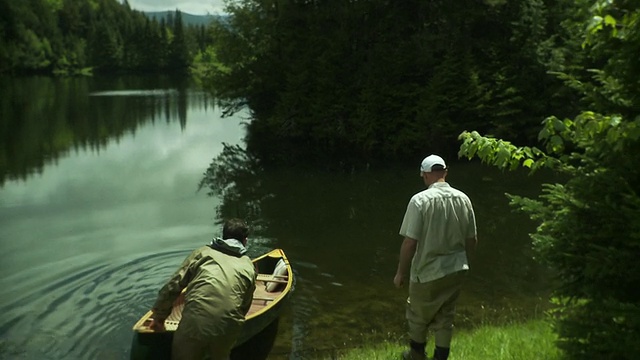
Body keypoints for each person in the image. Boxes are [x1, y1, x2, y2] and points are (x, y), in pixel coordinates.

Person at [394, 155, 477, 360]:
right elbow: (472, 238)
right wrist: (466, 263)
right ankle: (440, 356)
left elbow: (409, 242)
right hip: (457, 268)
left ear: (425, 174)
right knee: (445, 316)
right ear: (445, 172)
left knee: (418, 316)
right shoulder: (463, 198)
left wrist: (400, 273)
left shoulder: (419, 201)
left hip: (427, 271)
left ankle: (416, 354)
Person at [150, 218, 257, 360]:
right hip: (227, 329)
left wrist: (159, 317)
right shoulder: (248, 265)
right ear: (245, 241)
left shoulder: (202, 253)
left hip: (194, 325)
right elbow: (244, 306)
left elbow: (173, 286)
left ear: (223, 236)